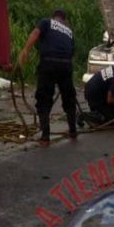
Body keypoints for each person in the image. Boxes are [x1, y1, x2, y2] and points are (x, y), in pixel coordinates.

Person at [19, 9, 77, 145]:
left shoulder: (46, 21)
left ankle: (45, 136)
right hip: (66, 65)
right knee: (69, 98)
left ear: (54, 17)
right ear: (64, 19)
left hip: (49, 63)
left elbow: (36, 33)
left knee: (44, 98)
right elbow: (72, 51)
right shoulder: (69, 31)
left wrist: (25, 49)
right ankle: (73, 131)